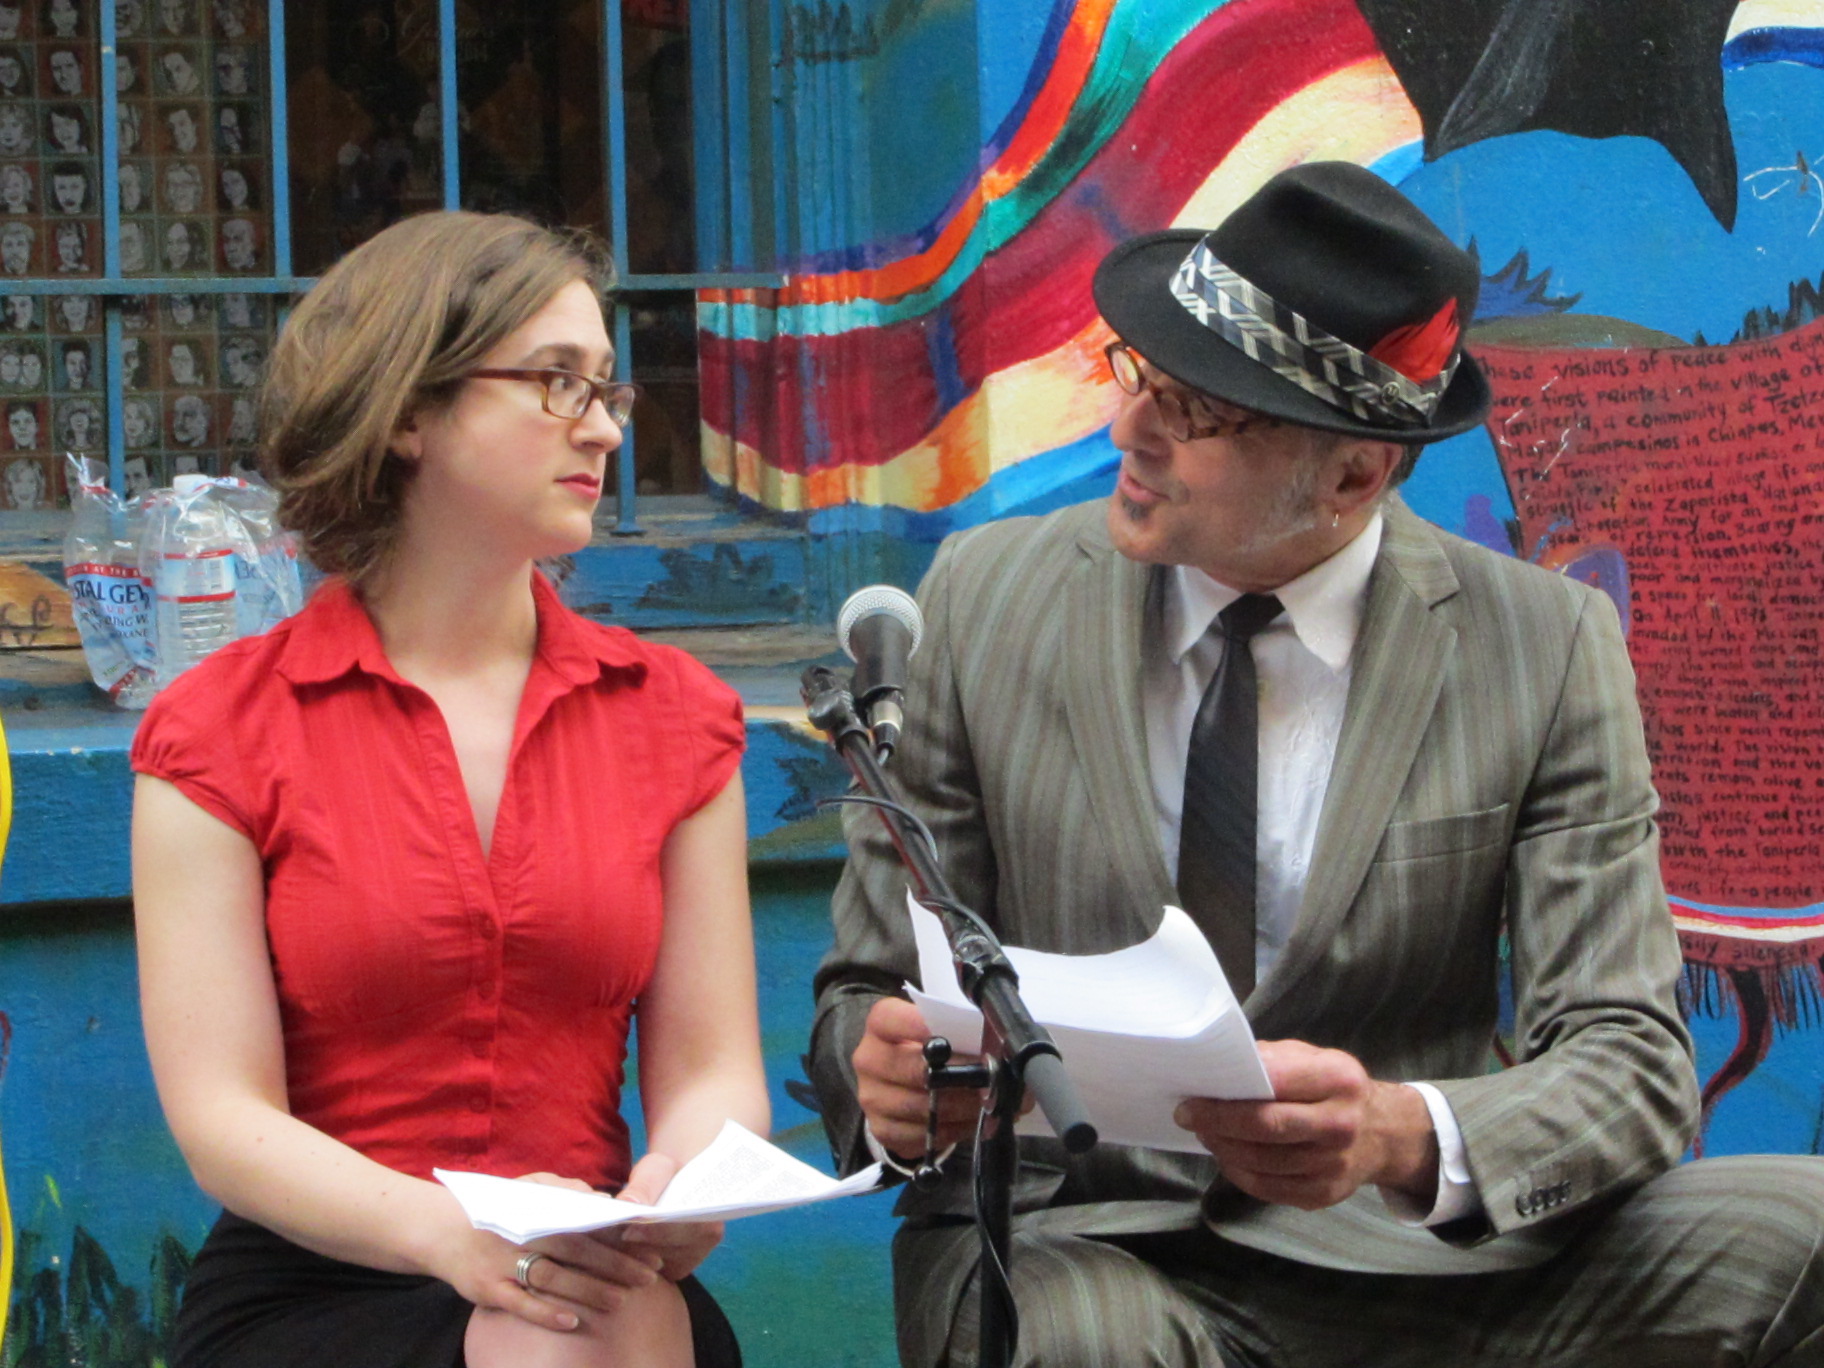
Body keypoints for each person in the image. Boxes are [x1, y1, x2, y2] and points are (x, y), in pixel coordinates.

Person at [809, 162, 1824, 1367]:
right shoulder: (983, 601)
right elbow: (858, 1001)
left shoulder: (1541, 646)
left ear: (1353, 474)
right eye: (1144, 378)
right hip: (1090, 1236)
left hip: (1425, 1261)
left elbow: (1633, 1060)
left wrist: (1403, 1133)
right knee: (1084, 1344)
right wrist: (889, 1076)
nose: (1130, 429)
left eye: (1197, 413)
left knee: (1802, 1231)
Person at [131, 210, 768, 1368]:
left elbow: (714, 1065)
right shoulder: (219, 732)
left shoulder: (675, 716)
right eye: (556, 383)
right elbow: (222, 1120)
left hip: (587, 1263)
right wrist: (449, 1233)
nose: (606, 429)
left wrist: (685, 1180)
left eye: (608, 391)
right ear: (410, 412)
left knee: (600, 1321)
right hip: (325, 1275)